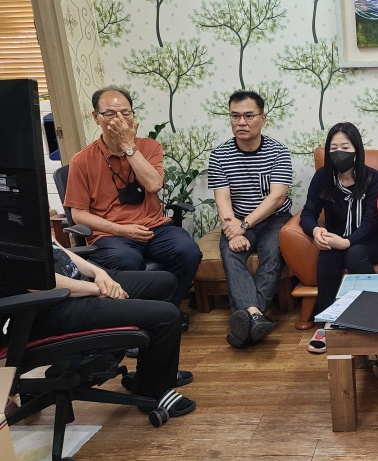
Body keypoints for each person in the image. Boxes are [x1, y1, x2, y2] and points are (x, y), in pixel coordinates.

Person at [1, 241, 196, 419]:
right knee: (167, 316)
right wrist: (97, 289)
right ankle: (153, 391)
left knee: (165, 283)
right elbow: (37, 284)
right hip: (51, 308)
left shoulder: (20, 219)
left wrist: (99, 273)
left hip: (76, 286)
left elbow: (59, 251)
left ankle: (152, 375)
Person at [63, 86, 202, 311]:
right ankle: (137, 313)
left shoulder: (149, 147)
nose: (119, 120)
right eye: (110, 113)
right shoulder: (82, 161)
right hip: (111, 234)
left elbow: (154, 185)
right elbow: (78, 215)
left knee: (189, 252)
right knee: (126, 260)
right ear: (96, 118)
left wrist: (128, 147)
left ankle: (166, 309)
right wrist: (121, 230)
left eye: (125, 113)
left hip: (154, 227)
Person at [208, 90, 293, 349]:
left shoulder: (278, 151)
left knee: (273, 253)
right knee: (230, 252)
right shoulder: (219, 155)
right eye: (235, 116)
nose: (241, 122)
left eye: (248, 116)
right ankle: (255, 317)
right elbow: (222, 199)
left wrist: (244, 226)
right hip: (237, 219)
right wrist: (232, 228)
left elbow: (277, 197)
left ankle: (245, 321)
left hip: (274, 219)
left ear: (262, 119)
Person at [300, 122, 378, 353]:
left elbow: (372, 221)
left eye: (345, 147)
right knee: (327, 256)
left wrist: (348, 241)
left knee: (354, 254)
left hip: (371, 240)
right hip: (337, 239)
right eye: (334, 148)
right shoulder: (323, 177)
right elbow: (308, 213)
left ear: (357, 149)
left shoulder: (375, 179)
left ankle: (373, 315)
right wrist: (315, 231)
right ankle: (327, 323)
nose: (339, 153)